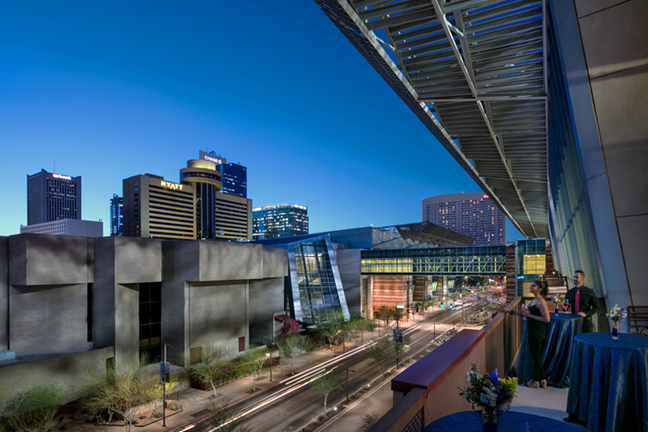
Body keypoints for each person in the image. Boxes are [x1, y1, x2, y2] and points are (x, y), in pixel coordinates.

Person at [510, 280, 550, 388]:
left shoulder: (541, 301)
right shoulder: (534, 300)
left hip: (538, 331)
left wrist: (531, 316)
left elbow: (547, 318)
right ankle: (542, 380)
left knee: (535, 356)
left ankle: (534, 380)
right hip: (532, 331)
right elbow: (525, 313)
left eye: (534, 286)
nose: (531, 287)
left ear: (540, 289)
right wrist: (511, 312)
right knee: (535, 356)